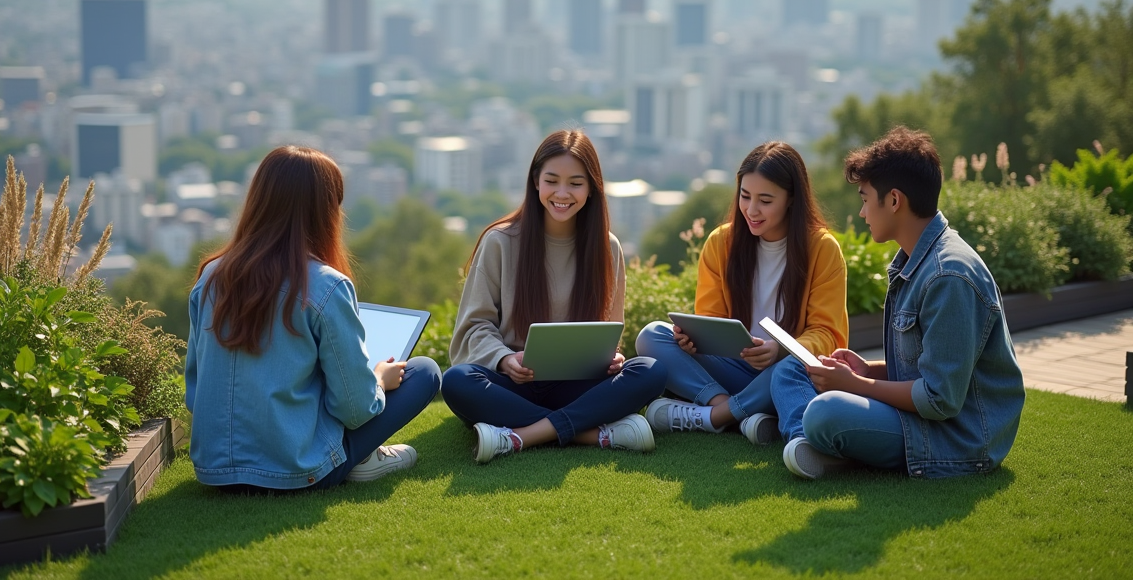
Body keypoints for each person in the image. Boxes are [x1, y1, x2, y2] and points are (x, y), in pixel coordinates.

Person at [772, 126, 1025, 479]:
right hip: (923, 420)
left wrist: (854, 385)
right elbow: (924, 367)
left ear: (893, 201)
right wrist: (867, 370)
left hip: (958, 439)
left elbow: (939, 399)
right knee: (794, 370)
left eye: (865, 199)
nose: (862, 213)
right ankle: (816, 443)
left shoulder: (948, 276)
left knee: (825, 412)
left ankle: (817, 441)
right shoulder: (915, 260)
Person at [185, 145, 441, 491]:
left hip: (214, 470)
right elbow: (355, 410)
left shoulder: (210, 277)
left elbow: (195, 390)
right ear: (325, 211)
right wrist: (379, 380)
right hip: (297, 471)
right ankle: (362, 459)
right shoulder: (326, 286)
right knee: (424, 371)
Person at [442, 130, 667, 463]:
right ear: (536, 181)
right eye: (552, 181)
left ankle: (520, 436)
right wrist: (504, 359)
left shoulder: (608, 248)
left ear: (592, 188)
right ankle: (589, 433)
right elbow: (474, 327)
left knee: (651, 371)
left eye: (575, 183)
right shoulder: (500, 242)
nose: (562, 193)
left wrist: (613, 358)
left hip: (576, 385)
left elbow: (608, 331)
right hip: (512, 383)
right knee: (457, 382)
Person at [636, 142, 848, 445]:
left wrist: (780, 349)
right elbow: (710, 322)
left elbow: (828, 334)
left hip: (787, 374)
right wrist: (693, 339)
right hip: (733, 366)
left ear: (791, 199)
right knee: (652, 335)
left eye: (765, 200)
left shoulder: (823, 248)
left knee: (788, 369)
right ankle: (734, 409)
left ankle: (714, 418)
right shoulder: (720, 243)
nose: (751, 210)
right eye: (745, 196)